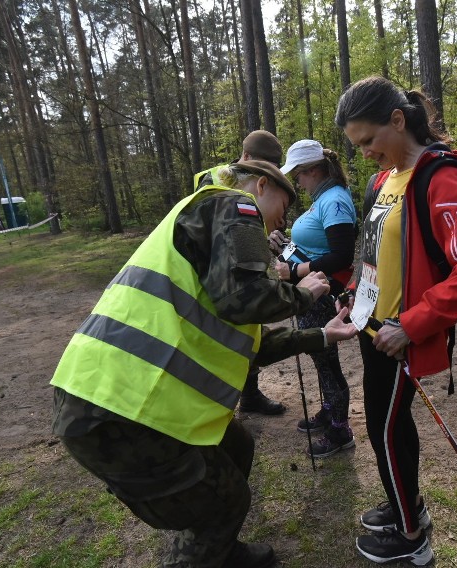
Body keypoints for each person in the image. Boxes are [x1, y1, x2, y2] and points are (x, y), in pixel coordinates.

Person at [50, 159, 358, 568]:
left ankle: (220, 549)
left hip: (116, 395)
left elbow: (247, 338)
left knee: (236, 446)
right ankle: (201, 552)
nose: (281, 221)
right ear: (262, 186)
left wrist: (322, 335)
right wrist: (303, 293)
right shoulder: (236, 206)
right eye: (283, 206)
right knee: (227, 501)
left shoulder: (208, 217)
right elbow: (242, 302)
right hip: (119, 408)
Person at [334, 76, 457, 566]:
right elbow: (371, 255)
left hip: (401, 335)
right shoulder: (382, 180)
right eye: (356, 146)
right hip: (372, 326)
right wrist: (351, 297)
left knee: (385, 431)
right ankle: (405, 505)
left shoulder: (439, 178)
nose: (363, 153)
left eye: (368, 140)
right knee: (391, 425)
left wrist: (413, 324)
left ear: (398, 121)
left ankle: (411, 539)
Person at [193, 129, 288, 416]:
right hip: (218, 273)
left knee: (252, 330)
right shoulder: (215, 180)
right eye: (260, 164)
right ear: (245, 156)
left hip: (248, 264)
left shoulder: (259, 187)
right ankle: (220, 401)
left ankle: (249, 395)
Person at [274, 139, 358, 457]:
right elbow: (317, 248)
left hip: (323, 293)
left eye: (298, 174)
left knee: (327, 360)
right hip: (312, 289)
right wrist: (282, 248)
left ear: (312, 170)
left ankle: (340, 430)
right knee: (320, 359)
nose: (296, 180)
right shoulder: (323, 197)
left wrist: (296, 273)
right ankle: (329, 410)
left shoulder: (334, 199)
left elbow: (340, 255)